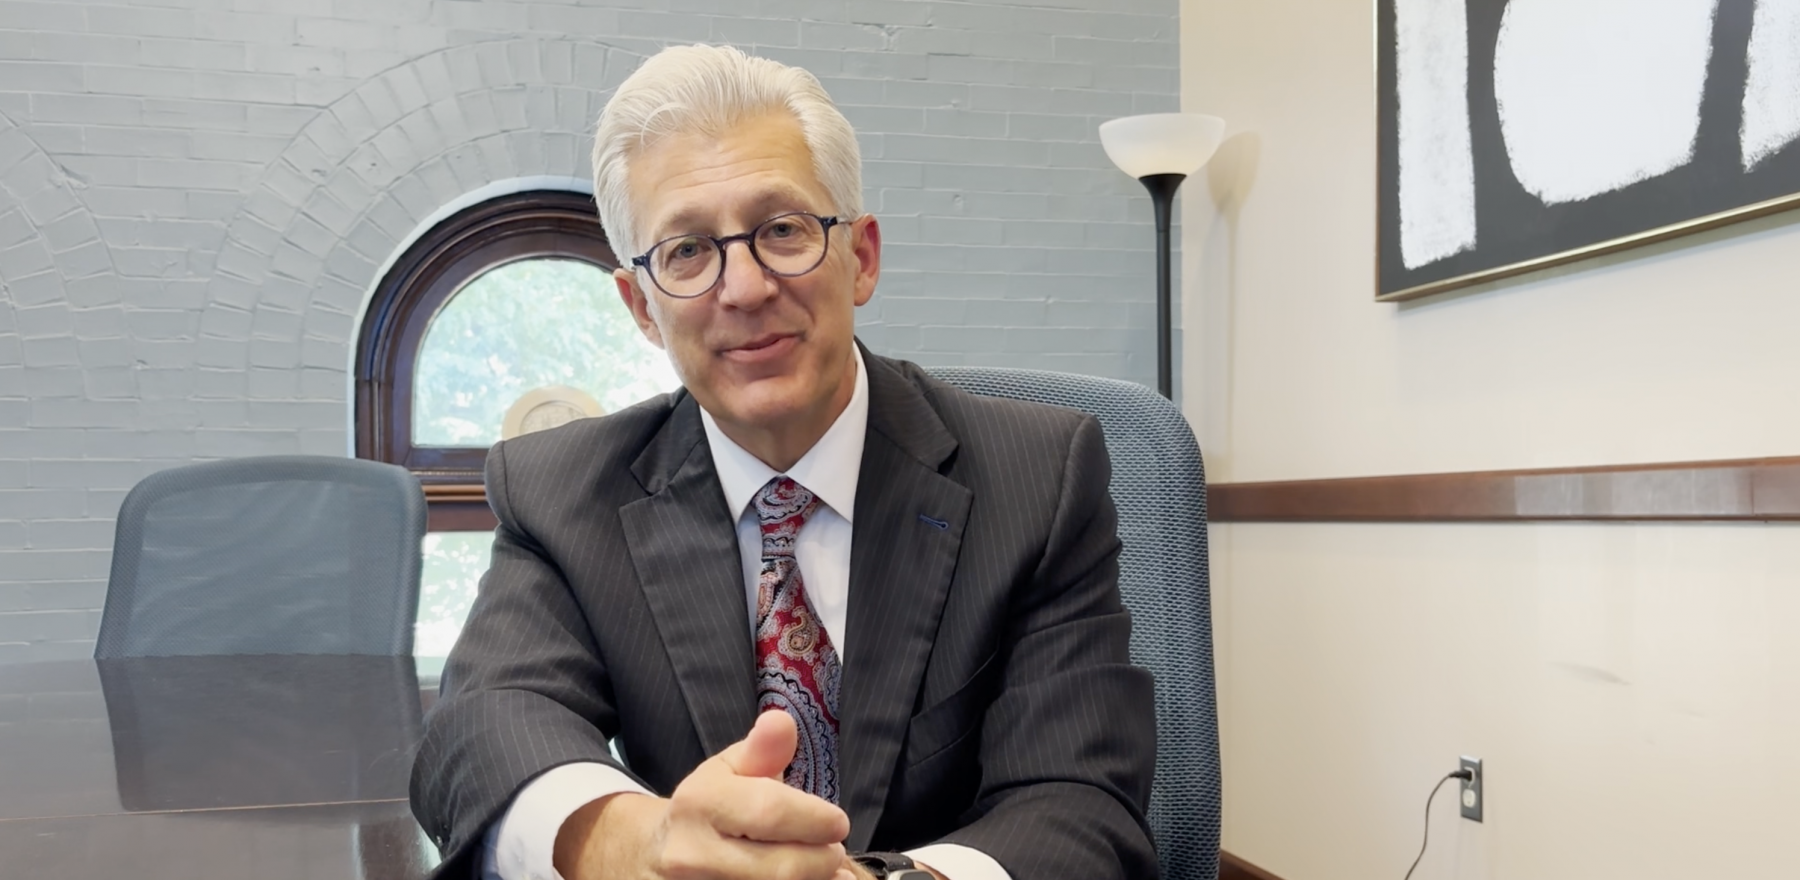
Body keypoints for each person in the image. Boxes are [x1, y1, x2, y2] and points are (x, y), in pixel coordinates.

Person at [409, 44, 1157, 880]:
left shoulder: (1039, 480)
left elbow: (1080, 803)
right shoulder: (559, 493)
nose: (745, 287)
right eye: (687, 250)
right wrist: (639, 848)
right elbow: (481, 732)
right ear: (642, 309)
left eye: (783, 230)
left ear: (861, 257)